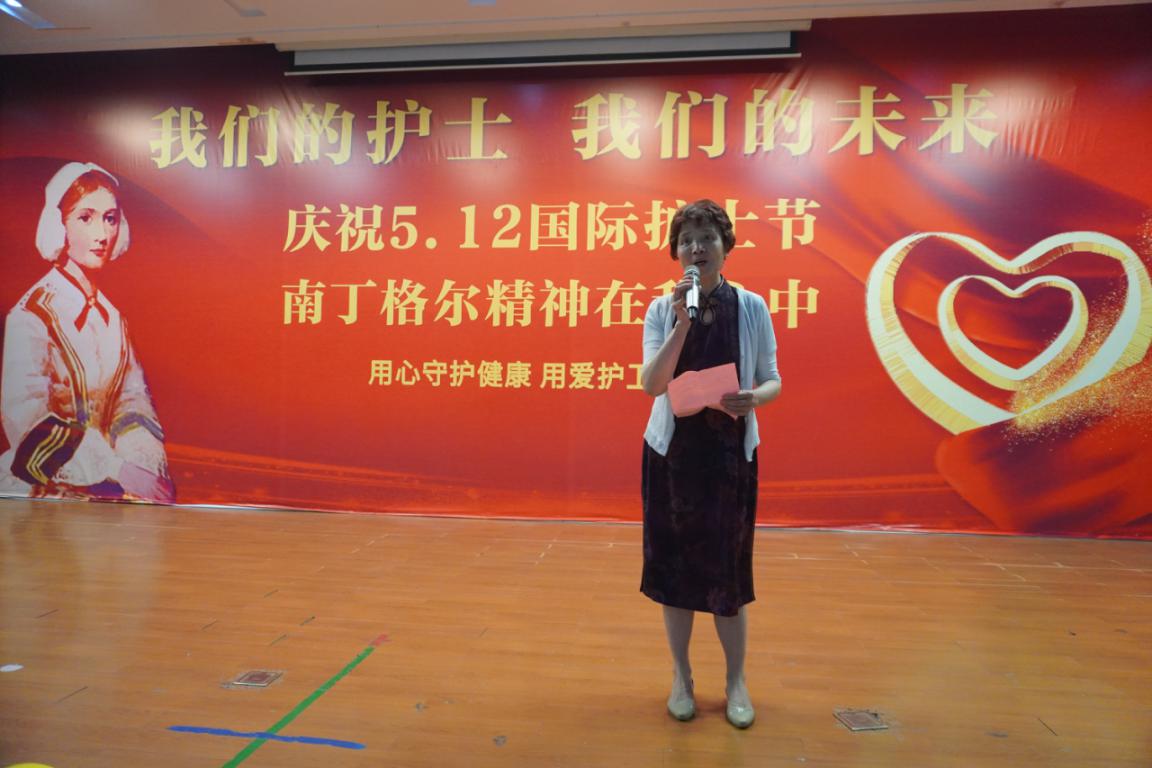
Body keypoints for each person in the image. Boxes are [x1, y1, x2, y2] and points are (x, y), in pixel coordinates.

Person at [640, 199, 781, 728]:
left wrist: (754, 398)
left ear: (726, 247)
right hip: (672, 459)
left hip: (728, 460)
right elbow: (652, 385)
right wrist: (681, 323)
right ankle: (681, 678)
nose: (696, 248)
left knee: (728, 576)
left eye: (706, 239)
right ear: (676, 252)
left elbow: (772, 378)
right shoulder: (662, 309)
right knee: (673, 572)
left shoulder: (752, 306)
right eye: (686, 241)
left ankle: (736, 681)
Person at [0, 161, 173, 503]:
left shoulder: (113, 318)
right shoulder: (32, 315)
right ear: (59, 226)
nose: (102, 234)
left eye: (110, 218)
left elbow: (132, 403)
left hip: (108, 493)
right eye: (85, 218)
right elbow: (27, 420)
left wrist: (141, 465)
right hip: (39, 492)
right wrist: (114, 468)